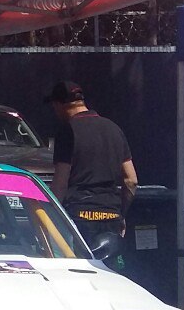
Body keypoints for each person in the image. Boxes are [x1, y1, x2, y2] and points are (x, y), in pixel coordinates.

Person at [43, 81, 137, 248]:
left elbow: (60, 184)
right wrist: (120, 214)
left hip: (80, 216)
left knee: (81, 263)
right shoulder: (114, 129)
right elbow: (131, 180)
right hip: (111, 215)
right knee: (108, 263)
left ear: (59, 104)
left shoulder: (67, 131)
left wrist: (50, 217)